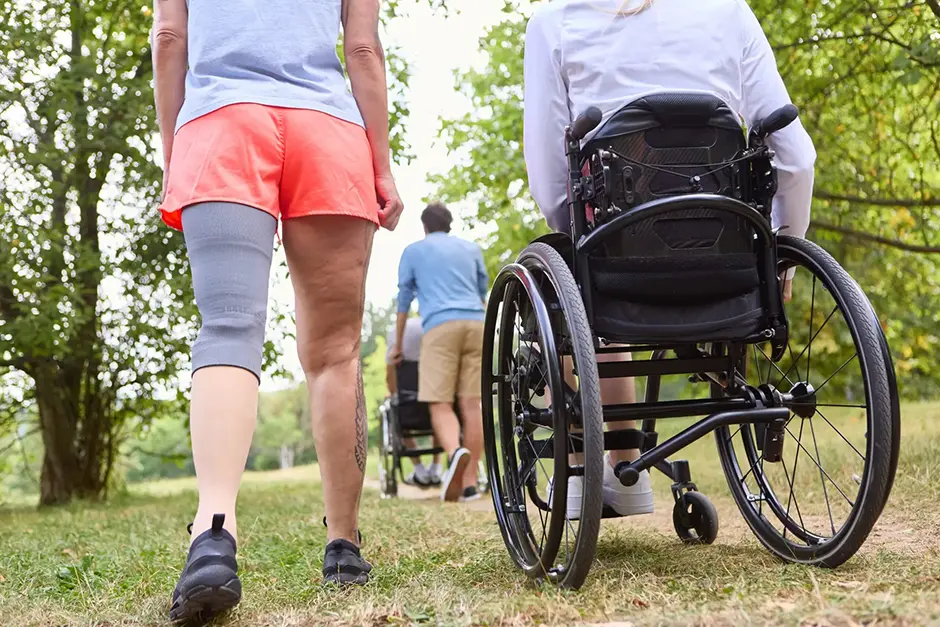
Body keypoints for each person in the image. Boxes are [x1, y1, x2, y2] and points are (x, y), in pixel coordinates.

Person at [152, 0, 403, 620]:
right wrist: (383, 166)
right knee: (336, 349)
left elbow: (169, 38)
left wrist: (173, 147)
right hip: (329, 130)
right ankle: (343, 545)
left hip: (220, 124)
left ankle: (213, 534)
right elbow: (363, 49)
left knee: (229, 330)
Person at [522, 0, 816, 518]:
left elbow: (550, 181)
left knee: (560, 283)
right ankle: (625, 464)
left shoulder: (556, 23)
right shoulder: (730, 13)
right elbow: (796, 158)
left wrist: (578, 243)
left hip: (617, 264)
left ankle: (597, 473)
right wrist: (780, 254)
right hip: (729, 261)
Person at [390, 203, 488, 503]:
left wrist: (397, 344)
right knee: (472, 404)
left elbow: (404, 300)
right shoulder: (471, 249)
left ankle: (454, 452)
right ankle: (470, 482)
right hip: (477, 323)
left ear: (425, 226)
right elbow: (482, 290)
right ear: (449, 223)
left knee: (439, 403)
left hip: (440, 327)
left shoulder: (413, 251)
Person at [385, 316, 443, 486]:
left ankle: (419, 469)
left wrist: (395, 394)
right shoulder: (441, 340)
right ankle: (436, 467)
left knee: (394, 408)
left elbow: (391, 384)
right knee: (441, 405)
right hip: (438, 406)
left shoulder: (395, 340)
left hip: (409, 412)